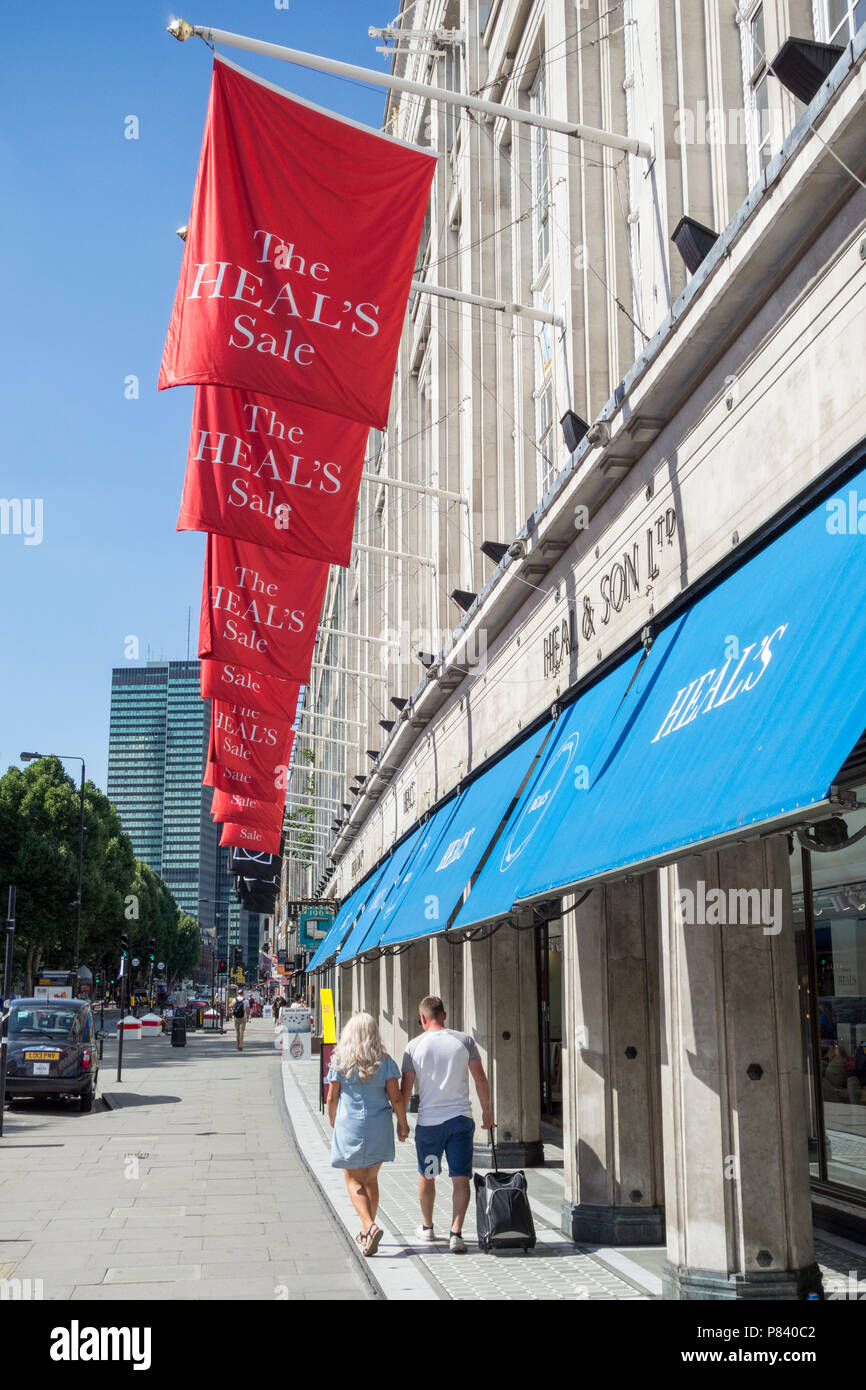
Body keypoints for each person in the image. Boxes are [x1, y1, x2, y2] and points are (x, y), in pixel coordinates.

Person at [401, 995, 495, 1253]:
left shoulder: (413, 1046)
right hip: (460, 1121)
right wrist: (487, 1113)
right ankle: (456, 1233)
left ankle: (428, 1228)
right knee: (460, 1178)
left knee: (428, 1174)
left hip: (429, 1125)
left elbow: (406, 1088)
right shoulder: (464, 1041)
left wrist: (401, 1123)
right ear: (444, 1014)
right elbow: (480, 1079)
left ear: (422, 1018)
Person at [326, 1012, 409, 1257]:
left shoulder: (340, 1061)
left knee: (353, 1180)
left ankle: (369, 1226)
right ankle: (367, 1232)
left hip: (350, 1125)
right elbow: (396, 1097)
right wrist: (403, 1124)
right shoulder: (386, 1062)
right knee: (371, 1179)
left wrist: (332, 1118)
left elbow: (332, 1096)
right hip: (379, 1125)